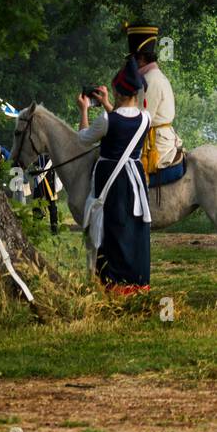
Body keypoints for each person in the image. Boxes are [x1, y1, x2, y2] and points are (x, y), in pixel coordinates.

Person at [77, 56, 152, 294]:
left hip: (111, 179)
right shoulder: (146, 119)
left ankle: (112, 285)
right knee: (132, 226)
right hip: (135, 180)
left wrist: (84, 110)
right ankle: (137, 284)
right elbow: (124, 124)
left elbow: (83, 139)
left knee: (112, 227)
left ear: (118, 93)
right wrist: (110, 103)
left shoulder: (107, 119)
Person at [125, 21, 184, 177]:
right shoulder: (151, 77)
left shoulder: (150, 80)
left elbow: (140, 120)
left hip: (155, 145)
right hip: (155, 138)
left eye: (133, 59)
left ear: (142, 59)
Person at [30, 153, 61, 236]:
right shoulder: (40, 153)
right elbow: (37, 162)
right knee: (36, 205)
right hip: (40, 180)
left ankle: (54, 229)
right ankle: (36, 228)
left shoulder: (51, 150)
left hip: (50, 180)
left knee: (52, 206)